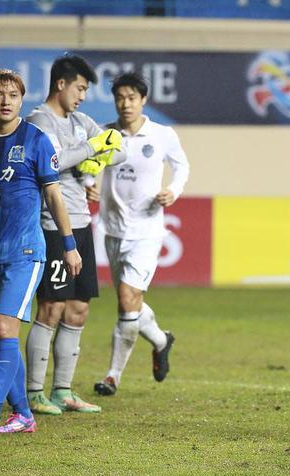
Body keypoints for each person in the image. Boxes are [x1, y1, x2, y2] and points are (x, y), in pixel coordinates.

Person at [0, 69, 81, 435]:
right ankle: (23, 414)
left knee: (4, 325)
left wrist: (69, 245)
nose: (5, 101)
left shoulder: (35, 139)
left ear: (21, 100)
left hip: (26, 250)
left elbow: (54, 195)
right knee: (0, 333)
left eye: (13, 95)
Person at [24, 54, 125, 415]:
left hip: (83, 223)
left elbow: (119, 147)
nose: (83, 96)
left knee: (79, 308)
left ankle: (63, 390)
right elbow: (54, 161)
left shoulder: (81, 120)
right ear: (61, 84)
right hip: (53, 225)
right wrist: (90, 150)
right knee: (51, 306)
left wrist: (95, 164)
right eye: (80, 88)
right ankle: (35, 391)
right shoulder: (39, 120)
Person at [93, 72, 188, 396]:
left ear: (143, 99)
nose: (125, 103)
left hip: (147, 231)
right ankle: (161, 340)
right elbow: (90, 167)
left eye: (131, 97)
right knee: (130, 304)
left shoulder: (161, 135)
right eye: (120, 97)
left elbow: (182, 166)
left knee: (125, 300)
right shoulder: (106, 133)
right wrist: (88, 185)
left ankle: (112, 376)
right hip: (114, 229)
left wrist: (173, 190)